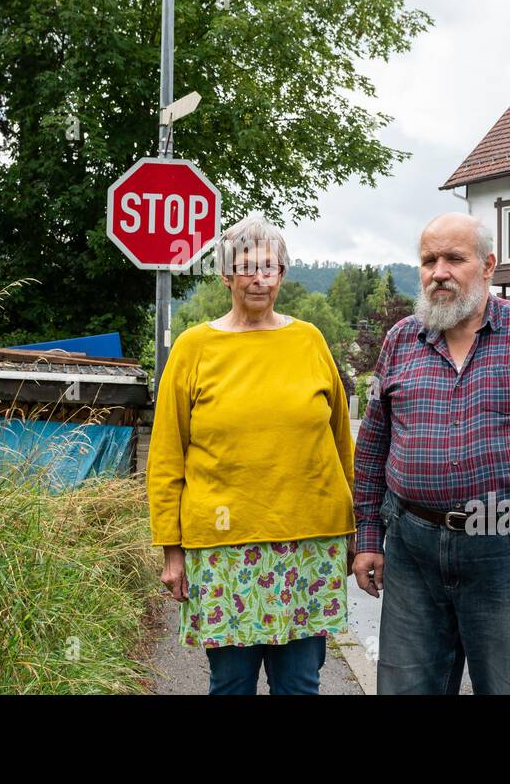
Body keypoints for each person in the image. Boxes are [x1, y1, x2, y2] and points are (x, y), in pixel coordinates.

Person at [352, 212, 510, 694]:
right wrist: (368, 534)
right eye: (429, 260)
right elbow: (372, 448)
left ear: (489, 265)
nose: (439, 272)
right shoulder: (401, 341)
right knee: (406, 688)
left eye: (455, 258)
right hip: (413, 546)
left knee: (507, 687)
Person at [147, 214, 356, 694]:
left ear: (283, 273)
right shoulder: (194, 348)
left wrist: (354, 531)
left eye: (271, 267)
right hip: (223, 544)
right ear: (225, 274)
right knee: (231, 683)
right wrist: (172, 551)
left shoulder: (309, 341)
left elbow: (343, 443)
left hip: (308, 540)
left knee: (301, 682)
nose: (260, 278)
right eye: (247, 267)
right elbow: (166, 458)